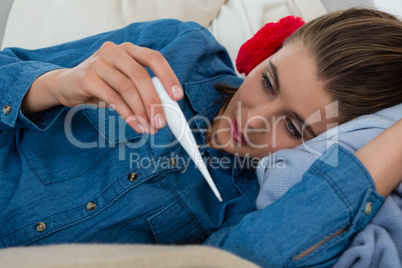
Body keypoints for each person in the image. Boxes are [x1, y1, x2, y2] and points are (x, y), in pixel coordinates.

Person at [0, 6, 401, 266]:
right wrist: (54, 86)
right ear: (265, 55)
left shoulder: (251, 208)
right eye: (267, 81)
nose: (254, 119)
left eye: (294, 127)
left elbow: (253, 256)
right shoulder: (176, 48)